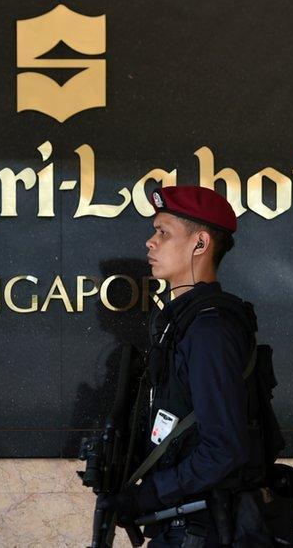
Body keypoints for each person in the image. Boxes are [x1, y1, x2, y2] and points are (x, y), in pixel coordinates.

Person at [98, 185, 254, 547]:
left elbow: (223, 448)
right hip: (181, 525)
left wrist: (148, 495)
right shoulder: (180, 322)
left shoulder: (209, 330)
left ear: (200, 244)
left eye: (163, 233)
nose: (151, 243)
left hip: (201, 530)